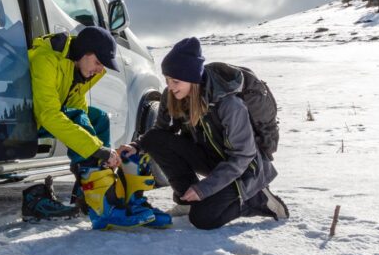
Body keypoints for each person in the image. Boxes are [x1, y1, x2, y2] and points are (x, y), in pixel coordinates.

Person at [119, 37, 289, 229]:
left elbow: (243, 156)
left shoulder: (229, 105)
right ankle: (186, 202)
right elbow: (160, 132)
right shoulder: (172, 95)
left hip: (244, 169)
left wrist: (204, 189)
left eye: (175, 80)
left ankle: (257, 200)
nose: (170, 86)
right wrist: (136, 146)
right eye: (167, 79)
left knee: (203, 218)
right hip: (212, 158)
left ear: (193, 79)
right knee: (154, 140)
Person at [21, 26, 170, 229]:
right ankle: (104, 207)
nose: (101, 70)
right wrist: (98, 150)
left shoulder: (78, 70)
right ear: (84, 52)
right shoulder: (46, 59)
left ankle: (96, 190)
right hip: (28, 119)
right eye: (98, 62)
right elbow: (48, 114)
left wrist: (102, 154)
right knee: (80, 120)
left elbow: (77, 109)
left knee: (98, 118)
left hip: (47, 116)